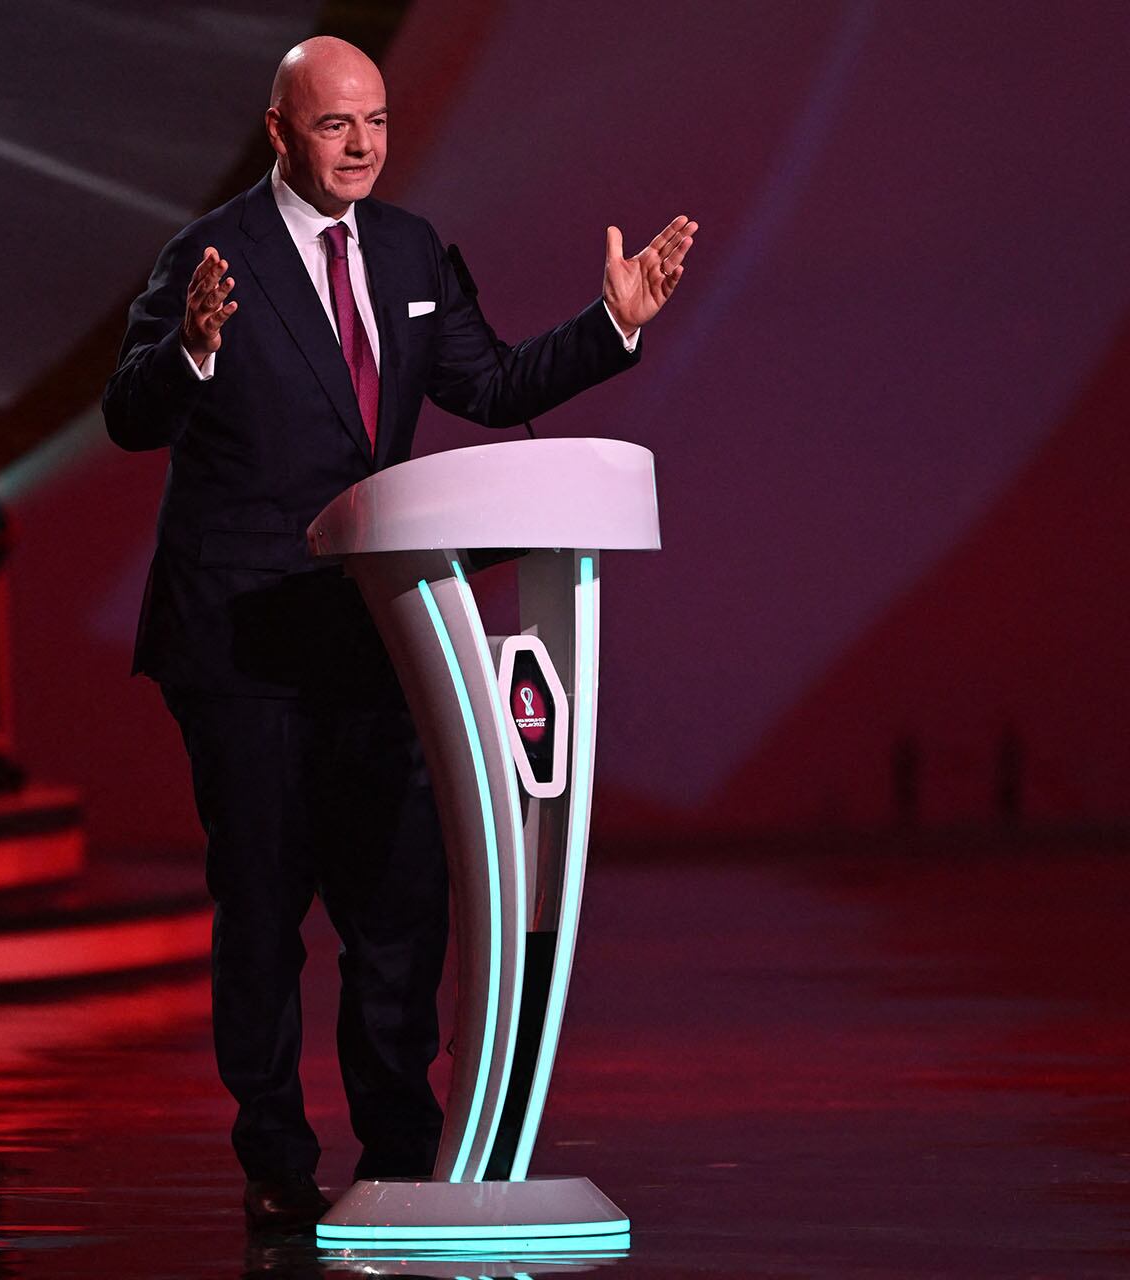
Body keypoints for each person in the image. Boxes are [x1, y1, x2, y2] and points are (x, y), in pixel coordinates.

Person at [101, 35, 695, 1232]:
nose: (364, 142)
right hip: (246, 640)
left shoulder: (416, 251)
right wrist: (195, 348)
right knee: (265, 904)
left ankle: (402, 1149)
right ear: (281, 132)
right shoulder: (211, 255)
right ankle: (274, 1156)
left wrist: (610, 325)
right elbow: (128, 412)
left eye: (375, 120)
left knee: (397, 904)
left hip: (384, 628)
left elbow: (488, 379)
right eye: (335, 125)